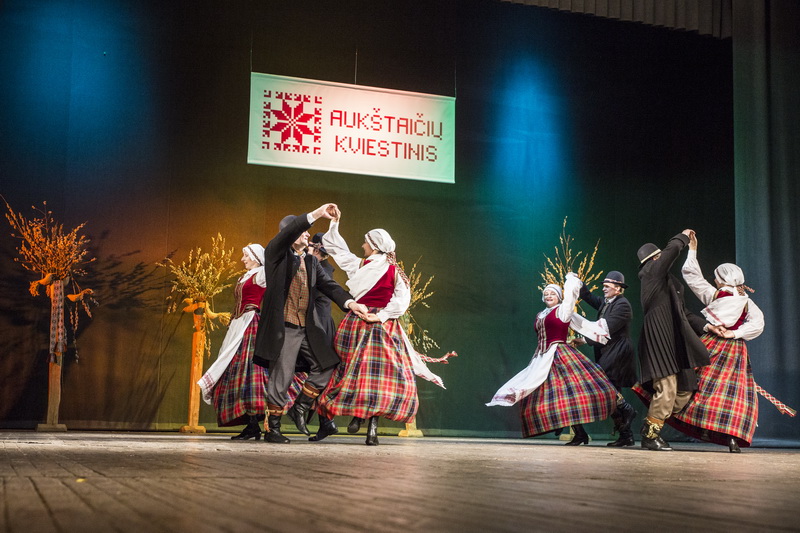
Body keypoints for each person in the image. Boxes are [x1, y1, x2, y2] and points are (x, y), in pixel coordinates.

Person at [316, 209, 447, 446]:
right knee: (372, 374)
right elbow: (338, 249)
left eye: (365, 242)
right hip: (377, 323)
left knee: (363, 373)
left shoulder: (381, 269)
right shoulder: (372, 266)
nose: (362, 245)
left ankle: (368, 424)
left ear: (374, 246)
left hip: (366, 322)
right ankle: (365, 422)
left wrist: (381, 316)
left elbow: (402, 300)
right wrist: (334, 223)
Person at [252, 203, 368, 444]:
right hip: (284, 327)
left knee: (327, 364)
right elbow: (291, 231)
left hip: (307, 328)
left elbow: (330, 286)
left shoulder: (311, 262)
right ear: (290, 234)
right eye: (302, 231)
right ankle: (272, 429)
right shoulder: (275, 255)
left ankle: (300, 407)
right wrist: (316, 214)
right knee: (281, 377)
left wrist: (351, 303)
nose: (307, 234)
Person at [487, 273, 617, 445]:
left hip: (560, 356)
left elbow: (570, 297)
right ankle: (574, 431)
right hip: (542, 358)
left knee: (569, 395)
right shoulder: (540, 314)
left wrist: (570, 280)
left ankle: (600, 421)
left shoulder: (563, 311)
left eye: (553, 294)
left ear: (559, 297)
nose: (549, 296)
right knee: (546, 396)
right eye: (546, 294)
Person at [669, 232, 764, 452]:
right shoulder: (746, 302)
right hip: (735, 350)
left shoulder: (714, 295)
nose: (714, 280)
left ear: (721, 280)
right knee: (731, 391)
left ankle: (695, 423)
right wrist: (735, 334)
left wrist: (692, 249)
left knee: (699, 383)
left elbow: (692, 276)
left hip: (712, 343)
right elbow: (758, 323)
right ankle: (731, 438)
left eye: (716, 278)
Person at [632, 230, 711, 451]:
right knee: (666, 387)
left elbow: (684, 313)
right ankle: (650, 435)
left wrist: (707, 326)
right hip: (659, 337)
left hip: (675, 340)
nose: (662, 259)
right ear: (654, 259)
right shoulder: (650, 274)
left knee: (685, 389)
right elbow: (672, 250)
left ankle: (653, 421)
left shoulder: (669, 283)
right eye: (659, 256)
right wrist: (682, 237)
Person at [198, 244, 273, 439]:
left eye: (246, 256)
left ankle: (261, 422)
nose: (242, 259)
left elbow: (275, 269)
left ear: (256, 257)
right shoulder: (244, 277)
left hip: (250, 323)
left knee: (250, 371)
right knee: (235, 370)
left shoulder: (262, 274)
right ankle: (251, 425)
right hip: (238, 324)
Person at [578, 271, 638, 446]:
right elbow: (588, 297)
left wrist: (584, 340)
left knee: (605, 385)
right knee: (610, 391)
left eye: (607, 286)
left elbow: (606, 329)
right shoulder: (607, 302)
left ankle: (627, 409)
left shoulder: (623, 305)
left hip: (618, 352)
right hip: (608, 351)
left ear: (618, 289)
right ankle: (626, 435)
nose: (603, 288)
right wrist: (577, 283)